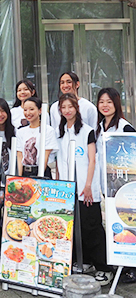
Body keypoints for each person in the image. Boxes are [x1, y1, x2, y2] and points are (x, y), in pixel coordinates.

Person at [55, 93, 114, 286]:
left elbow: (92, 160)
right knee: (73, 227)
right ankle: (84, 261)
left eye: (70, 106)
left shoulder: (87, 131)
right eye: (63, 107)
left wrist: (88, 185)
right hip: (68, 187)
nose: (67, 110)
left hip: (86, 186)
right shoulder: (62, 130)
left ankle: (105, 268)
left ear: (77, 108)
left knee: (91, 226)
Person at [95, 87, 136, 284]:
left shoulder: (124, 127)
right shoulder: (100, 127)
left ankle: (131, 269)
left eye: (108, 102)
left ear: (116, 104)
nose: (104, 105)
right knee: (114, 227)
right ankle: (118, 266)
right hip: (106, 188)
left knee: (129, 226)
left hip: (123, 189)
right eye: (101, 102)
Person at [15, 97, 58, 178]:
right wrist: (20, 177)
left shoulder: (48, 130)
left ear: (40, 110)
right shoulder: (21, 131)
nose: (28, 113)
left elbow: (46, 156)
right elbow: (20, 155)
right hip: (25, 172)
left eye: (31, 109)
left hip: (42, 172)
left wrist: (39, 177)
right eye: (25, 110)